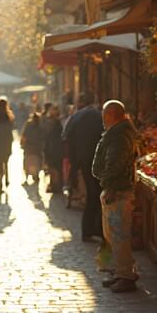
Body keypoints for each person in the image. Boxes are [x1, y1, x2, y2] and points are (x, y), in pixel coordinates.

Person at [92, 100, 140, 293]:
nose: (103, 120)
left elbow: (114, 165)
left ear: (113, 115)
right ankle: (121, 272)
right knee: (113, 234)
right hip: (114, 189)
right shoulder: (116, 134)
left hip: (118, 191)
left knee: (119, 235)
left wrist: (106, 180)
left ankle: (126, 276)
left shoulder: (119, 137)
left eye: (106, 116)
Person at [63, 92, 104, 242]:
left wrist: (74, 162)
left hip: (83, 161)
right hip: (98, 160)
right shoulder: (99, 115)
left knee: (93, 194)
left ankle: (90, 229)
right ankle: (97, 229)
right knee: (98, 195)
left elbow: (66, 137)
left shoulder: (75, 117)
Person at [43, 104, 64, 194]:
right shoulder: (52, 123)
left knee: (55, 168)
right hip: (52, 149)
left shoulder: (57, 123)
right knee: (54, 168)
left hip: (55, 149)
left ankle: (56, 186)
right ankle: (54, 185)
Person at [20, 111, 45, 185]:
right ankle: (36, 175)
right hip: (37, 148)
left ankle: (27, 178)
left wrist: (22, 144)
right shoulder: (41, 126)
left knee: (27, 163)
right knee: (37, 162)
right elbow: (43, 137)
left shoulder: (28, 124)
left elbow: (24, 135)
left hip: (29, 147)